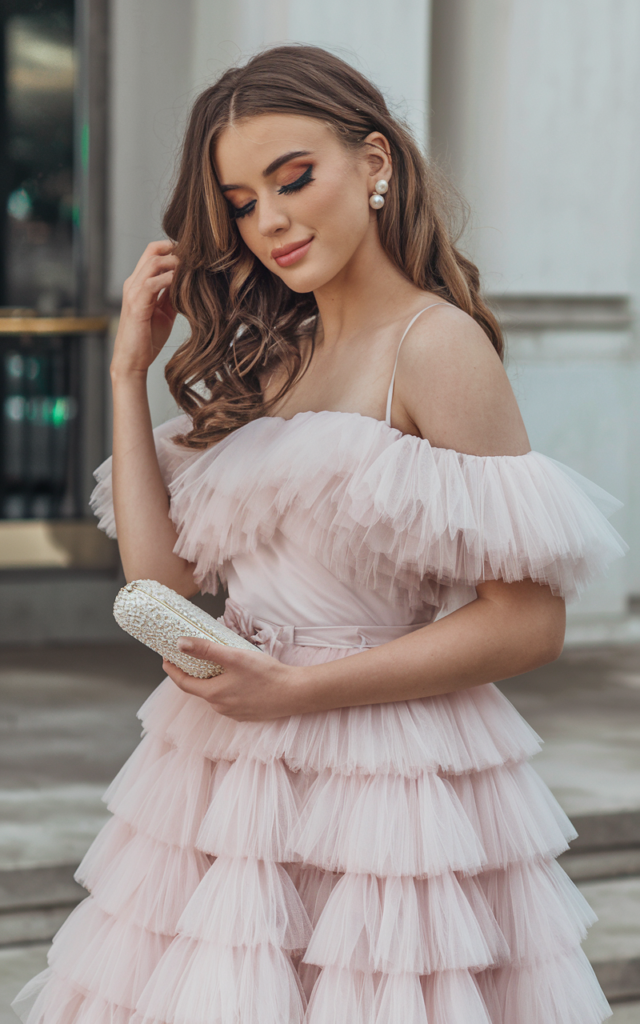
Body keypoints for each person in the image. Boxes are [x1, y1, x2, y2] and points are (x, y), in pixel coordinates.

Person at [14, 44, 625, 1024]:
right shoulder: (273, 355)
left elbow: (528, 622)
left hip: (382, 775)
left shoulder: (436, 346)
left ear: (373, 162)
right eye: (242, 202)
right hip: (224, 768)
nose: (269, 221)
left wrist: (294, 690)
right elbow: (159, 579)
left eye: (293, 178)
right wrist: (129, 369)